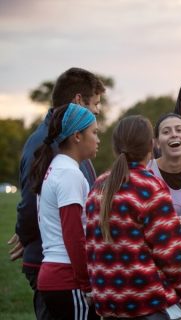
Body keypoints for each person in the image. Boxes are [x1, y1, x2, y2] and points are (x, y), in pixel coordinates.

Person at [10, 67, 105, 320]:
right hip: (65, 271)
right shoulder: (62, 165)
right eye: (95, 103)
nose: (97, 110)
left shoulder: (58, 160)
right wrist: (87, 284)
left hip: (57, 268)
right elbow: (72, 232)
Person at [85, 115, 181, 318]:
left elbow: (91, 246)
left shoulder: (98, 187)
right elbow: (172, 253)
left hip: (109, 304)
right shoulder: (150, 187)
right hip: (148, 304)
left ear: (115, 147)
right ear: (152, 145)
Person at [29, 103, 100, 320]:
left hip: (55, 275)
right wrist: (86, 284)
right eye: (94, 132)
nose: (98, 139)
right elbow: (73, 234)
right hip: (67, 278)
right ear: (77, 136)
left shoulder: (57, 167)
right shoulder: (68, 173)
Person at [147, 113, 181, 320]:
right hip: (154, 282)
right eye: (166, 131)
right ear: (156, 142)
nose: (173, 134)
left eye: (179, 130)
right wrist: (165, 225)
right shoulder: (147, 173)